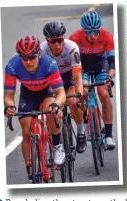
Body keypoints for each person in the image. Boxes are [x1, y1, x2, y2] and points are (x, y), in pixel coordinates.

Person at [4, 36, 66, 182]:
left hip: (47, 91)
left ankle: (57, 145)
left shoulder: (49, 64)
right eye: (24, 58)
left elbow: (61, 93)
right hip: (28, 94)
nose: (28, 61)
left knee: (50, 113)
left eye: (31, 57)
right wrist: (9, 106)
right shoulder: (12, 66)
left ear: (38, 54)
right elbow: (8, 95)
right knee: (26, 130)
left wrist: (57, 104)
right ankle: (30, 169)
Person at [69, 11, 116, 149]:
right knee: (82, 92)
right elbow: (73, 64)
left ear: (100, 28)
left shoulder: (106, 35)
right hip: (82, 65)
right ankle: (85, 126)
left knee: (103, 93)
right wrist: (76, 81)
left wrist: (109, 77)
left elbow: (112, 62)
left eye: (96, 31)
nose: (93, 35)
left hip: (101, 64)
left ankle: (108, 135)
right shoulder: (75, 37)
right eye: (89, 32)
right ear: (83, 30)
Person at [40, 21, 86, 154]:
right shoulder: (42, 51)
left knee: (73, 101)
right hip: (52, 78)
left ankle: (81, 133)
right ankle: (56, 141)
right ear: (47, 40)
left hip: (69, 76)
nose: (56, 44)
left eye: (59, 40)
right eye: (52, 41)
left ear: (63, 38)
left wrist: (79, 96)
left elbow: (77, 77)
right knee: (50, 106)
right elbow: (42, 76)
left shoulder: (72, 47)